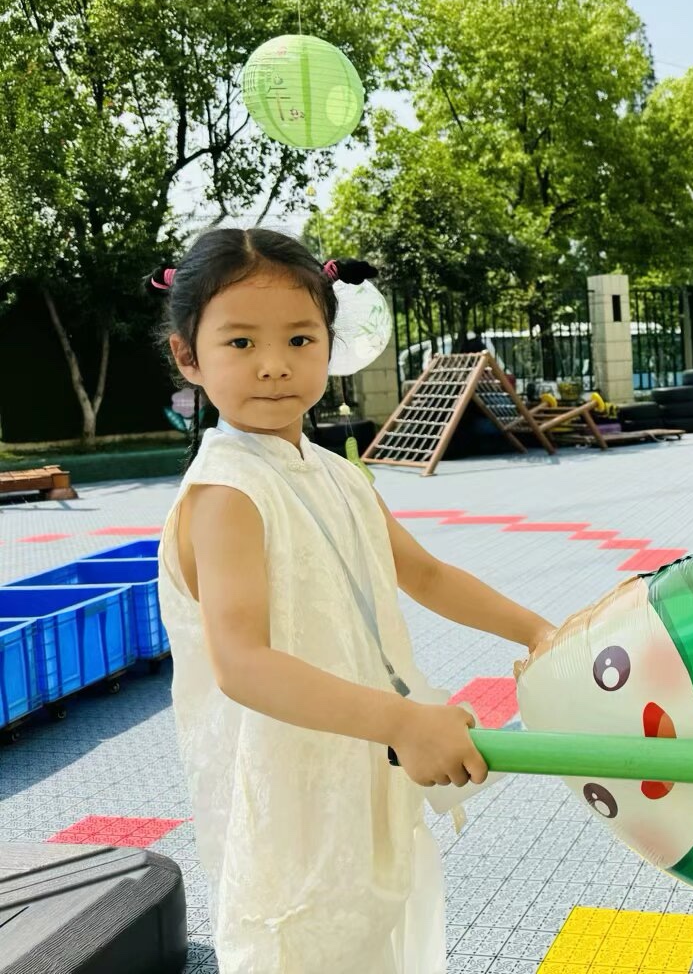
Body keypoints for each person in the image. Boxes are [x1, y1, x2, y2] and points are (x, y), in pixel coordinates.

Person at [149, 229, 554, 972]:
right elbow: (242, 664)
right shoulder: (226, 493)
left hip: (364, 770)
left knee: (376, 935)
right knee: (303, 945)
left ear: (329, 346)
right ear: (188, 356)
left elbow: (424, 574)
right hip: (288, 798)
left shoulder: (333, 473)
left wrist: (540, 632)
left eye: (300, 339)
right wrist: (404, 720)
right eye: (240, 342)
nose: (274, 364)